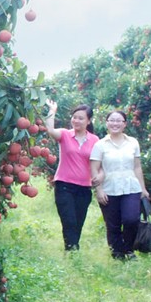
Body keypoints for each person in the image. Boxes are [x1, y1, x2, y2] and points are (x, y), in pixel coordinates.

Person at [89, 110, 150, 260]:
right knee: (113, 224)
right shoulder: (100, 145)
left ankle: (128, 249)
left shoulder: (133, 142)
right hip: (109, 188)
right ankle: (117, 254)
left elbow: (137, 167)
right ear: (107, 123)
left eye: (119, 121)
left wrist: (143, 188)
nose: (115, 123)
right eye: (112, 120)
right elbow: (94, 169)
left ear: (124, 124)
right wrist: (99, 190)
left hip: (131, 187)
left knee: (131, 219)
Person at [44, 99, 99, 251]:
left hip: (84, 188)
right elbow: (50, 130)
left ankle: (72, 249)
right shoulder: (65, 135)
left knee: (78, 222)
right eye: (74, 117)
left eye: (81, 118)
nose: (76, 120)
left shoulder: (95, 140)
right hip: (64, 186)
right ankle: (72, 250)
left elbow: (99, 163)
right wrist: (52, 111)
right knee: (69, 221)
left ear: (88, 121)